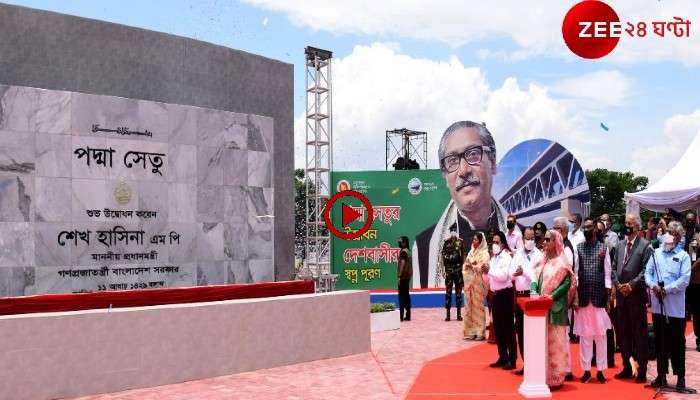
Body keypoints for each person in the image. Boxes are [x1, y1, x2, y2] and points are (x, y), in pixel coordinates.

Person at [413, 121, 507, 288]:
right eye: (452, 161)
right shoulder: (424, 246)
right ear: (445, 175)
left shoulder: (520, 237)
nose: (463, 171)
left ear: (492, 161)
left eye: (472, 154)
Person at [646, 224, 692, 390]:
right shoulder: (656, 253)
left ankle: (680, 378)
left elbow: (684, 280)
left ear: (678, 237)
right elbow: (648, 273)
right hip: (658, 307)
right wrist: (653, 286)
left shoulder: (683, 256)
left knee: (677, 344)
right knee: (660, 343)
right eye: (667, 233)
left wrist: (667, 289)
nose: (668, 236)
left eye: (672, 234)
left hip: (675, 309)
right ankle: (661, 375)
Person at [530, 229, 577, 389]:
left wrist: (553, 296)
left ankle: (556, 378)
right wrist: (534, 289)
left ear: (555, 242)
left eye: (548, 240)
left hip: (555, 306)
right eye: (545, 240)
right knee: (542, 342)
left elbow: (567, 284)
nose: (545, 242)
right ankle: (543, 375)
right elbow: (535, 277)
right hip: (541, 307)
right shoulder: (543, 261)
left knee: (556, 343)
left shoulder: (562, 262)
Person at [612, 214, 652, 383]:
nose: (626, 226)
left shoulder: (645, 246)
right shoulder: (620, 245)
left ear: (636, 226)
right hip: (621, 297)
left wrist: (632, 285)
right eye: (625, 223)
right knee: (624, 334)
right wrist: (618, 284)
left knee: (639, 334)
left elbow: (646, 270)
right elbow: (613, 267)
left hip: (636, 296)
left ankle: (641, 368)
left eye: (629, 223)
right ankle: (627, 367)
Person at [573, 218, 612, 384]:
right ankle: (587, 370)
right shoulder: (579, 248)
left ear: (596, 229)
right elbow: (575, 274)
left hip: (599, 297)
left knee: (600, 336)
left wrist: (609, 298)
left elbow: (608, 274)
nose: (587, 230)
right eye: (585, 228)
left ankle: (601, 370)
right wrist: (574, 296)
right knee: (585, 336)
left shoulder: (603, 248)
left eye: (590, 227)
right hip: (583, 297)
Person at [511, 226, 542, 375]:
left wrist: (525, 273)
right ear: (522, 239)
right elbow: (510, 273)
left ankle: (535, 364)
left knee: (533, 332)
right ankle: (525, 364)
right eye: (527, 238)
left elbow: (537, 275)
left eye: (532, 238)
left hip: (532, 295)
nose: (529, 241)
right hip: (519, 296)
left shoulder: (539, 254)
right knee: (521, 332)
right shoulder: (517, 254)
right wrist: (516, 273)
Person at [488, 231, 516, 370]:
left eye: (497, 242)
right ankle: (502, 356)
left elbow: (503, 276)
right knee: (498, 327)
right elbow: (491, 279)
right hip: (495, 295)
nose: (494, 244)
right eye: (493, 242)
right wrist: (482, 272)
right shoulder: (493, 259)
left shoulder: (506, 258)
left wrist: (489, 271)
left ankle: (512, 359)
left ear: (503, 244)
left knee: (508, 327)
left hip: (505, 294)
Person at [552, 216, 577, 381]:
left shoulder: (567, 249)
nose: (553, 231)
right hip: (557, 295)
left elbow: (566, 275)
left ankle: (566, 368)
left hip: (563, 295)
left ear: (563, 231)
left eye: (555, 228)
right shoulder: (559, 248)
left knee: (564, 333)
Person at [463, 231, 490, 340]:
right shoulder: (471, 252)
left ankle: (480, 332)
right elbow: (465, 265)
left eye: (476, 240)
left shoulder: (485, 253)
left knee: (478, 307)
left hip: (479, 284)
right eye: (473, 239)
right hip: (469, 284)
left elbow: (483, 267)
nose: (473, 242)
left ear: (481, 241)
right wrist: (468, 265)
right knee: (469, 307)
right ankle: (470, 332)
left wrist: (473, 266)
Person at [441, 225, 466, 321]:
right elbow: (443, 256)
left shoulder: (460, 242)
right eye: (452, 230)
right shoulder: (446, 242)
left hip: (458, 270)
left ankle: (459, 314)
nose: (453, 232)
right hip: (449, 271)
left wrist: (463, 268)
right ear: (450, 231)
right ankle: (448, 315)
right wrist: (443, 269)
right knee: (448, 292)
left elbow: (463, 255)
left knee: (459, 292)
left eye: (455, 230)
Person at [689, 225, 700, 352]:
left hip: (696, 280)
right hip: (694, 281)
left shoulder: (696, 238)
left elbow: (694, 258)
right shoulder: (694, 238)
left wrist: (690, 270)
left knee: (697, 311)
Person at [397, 236, 412, 322]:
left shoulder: (403, 252)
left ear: (404, 243)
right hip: (407, 277)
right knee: (406, 296)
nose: (399, 243)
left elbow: (402, 264)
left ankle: (401, 317)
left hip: (403, 277)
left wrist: (399, 276)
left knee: (402, 297)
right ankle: (408, 315)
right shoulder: (408, 251)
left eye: (400, 241)